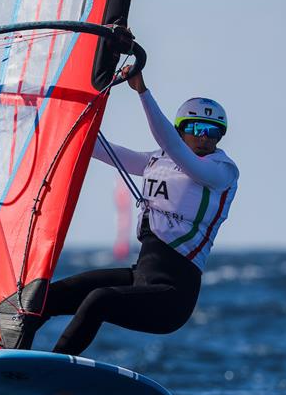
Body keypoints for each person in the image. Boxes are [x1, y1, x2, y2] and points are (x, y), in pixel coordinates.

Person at [16, 66, 239, 356]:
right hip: (141, 276)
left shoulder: (221, 171)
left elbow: (171, 145)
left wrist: (142, 91)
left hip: (172, 298)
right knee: (49, 296)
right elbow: (101, 149)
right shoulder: (158, 162)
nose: (205, 138)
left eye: (213, 132)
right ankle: (13, 356)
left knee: (99, 300)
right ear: (182, 129)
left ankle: (51, 370)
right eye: (196, 129)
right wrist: (46, 113)